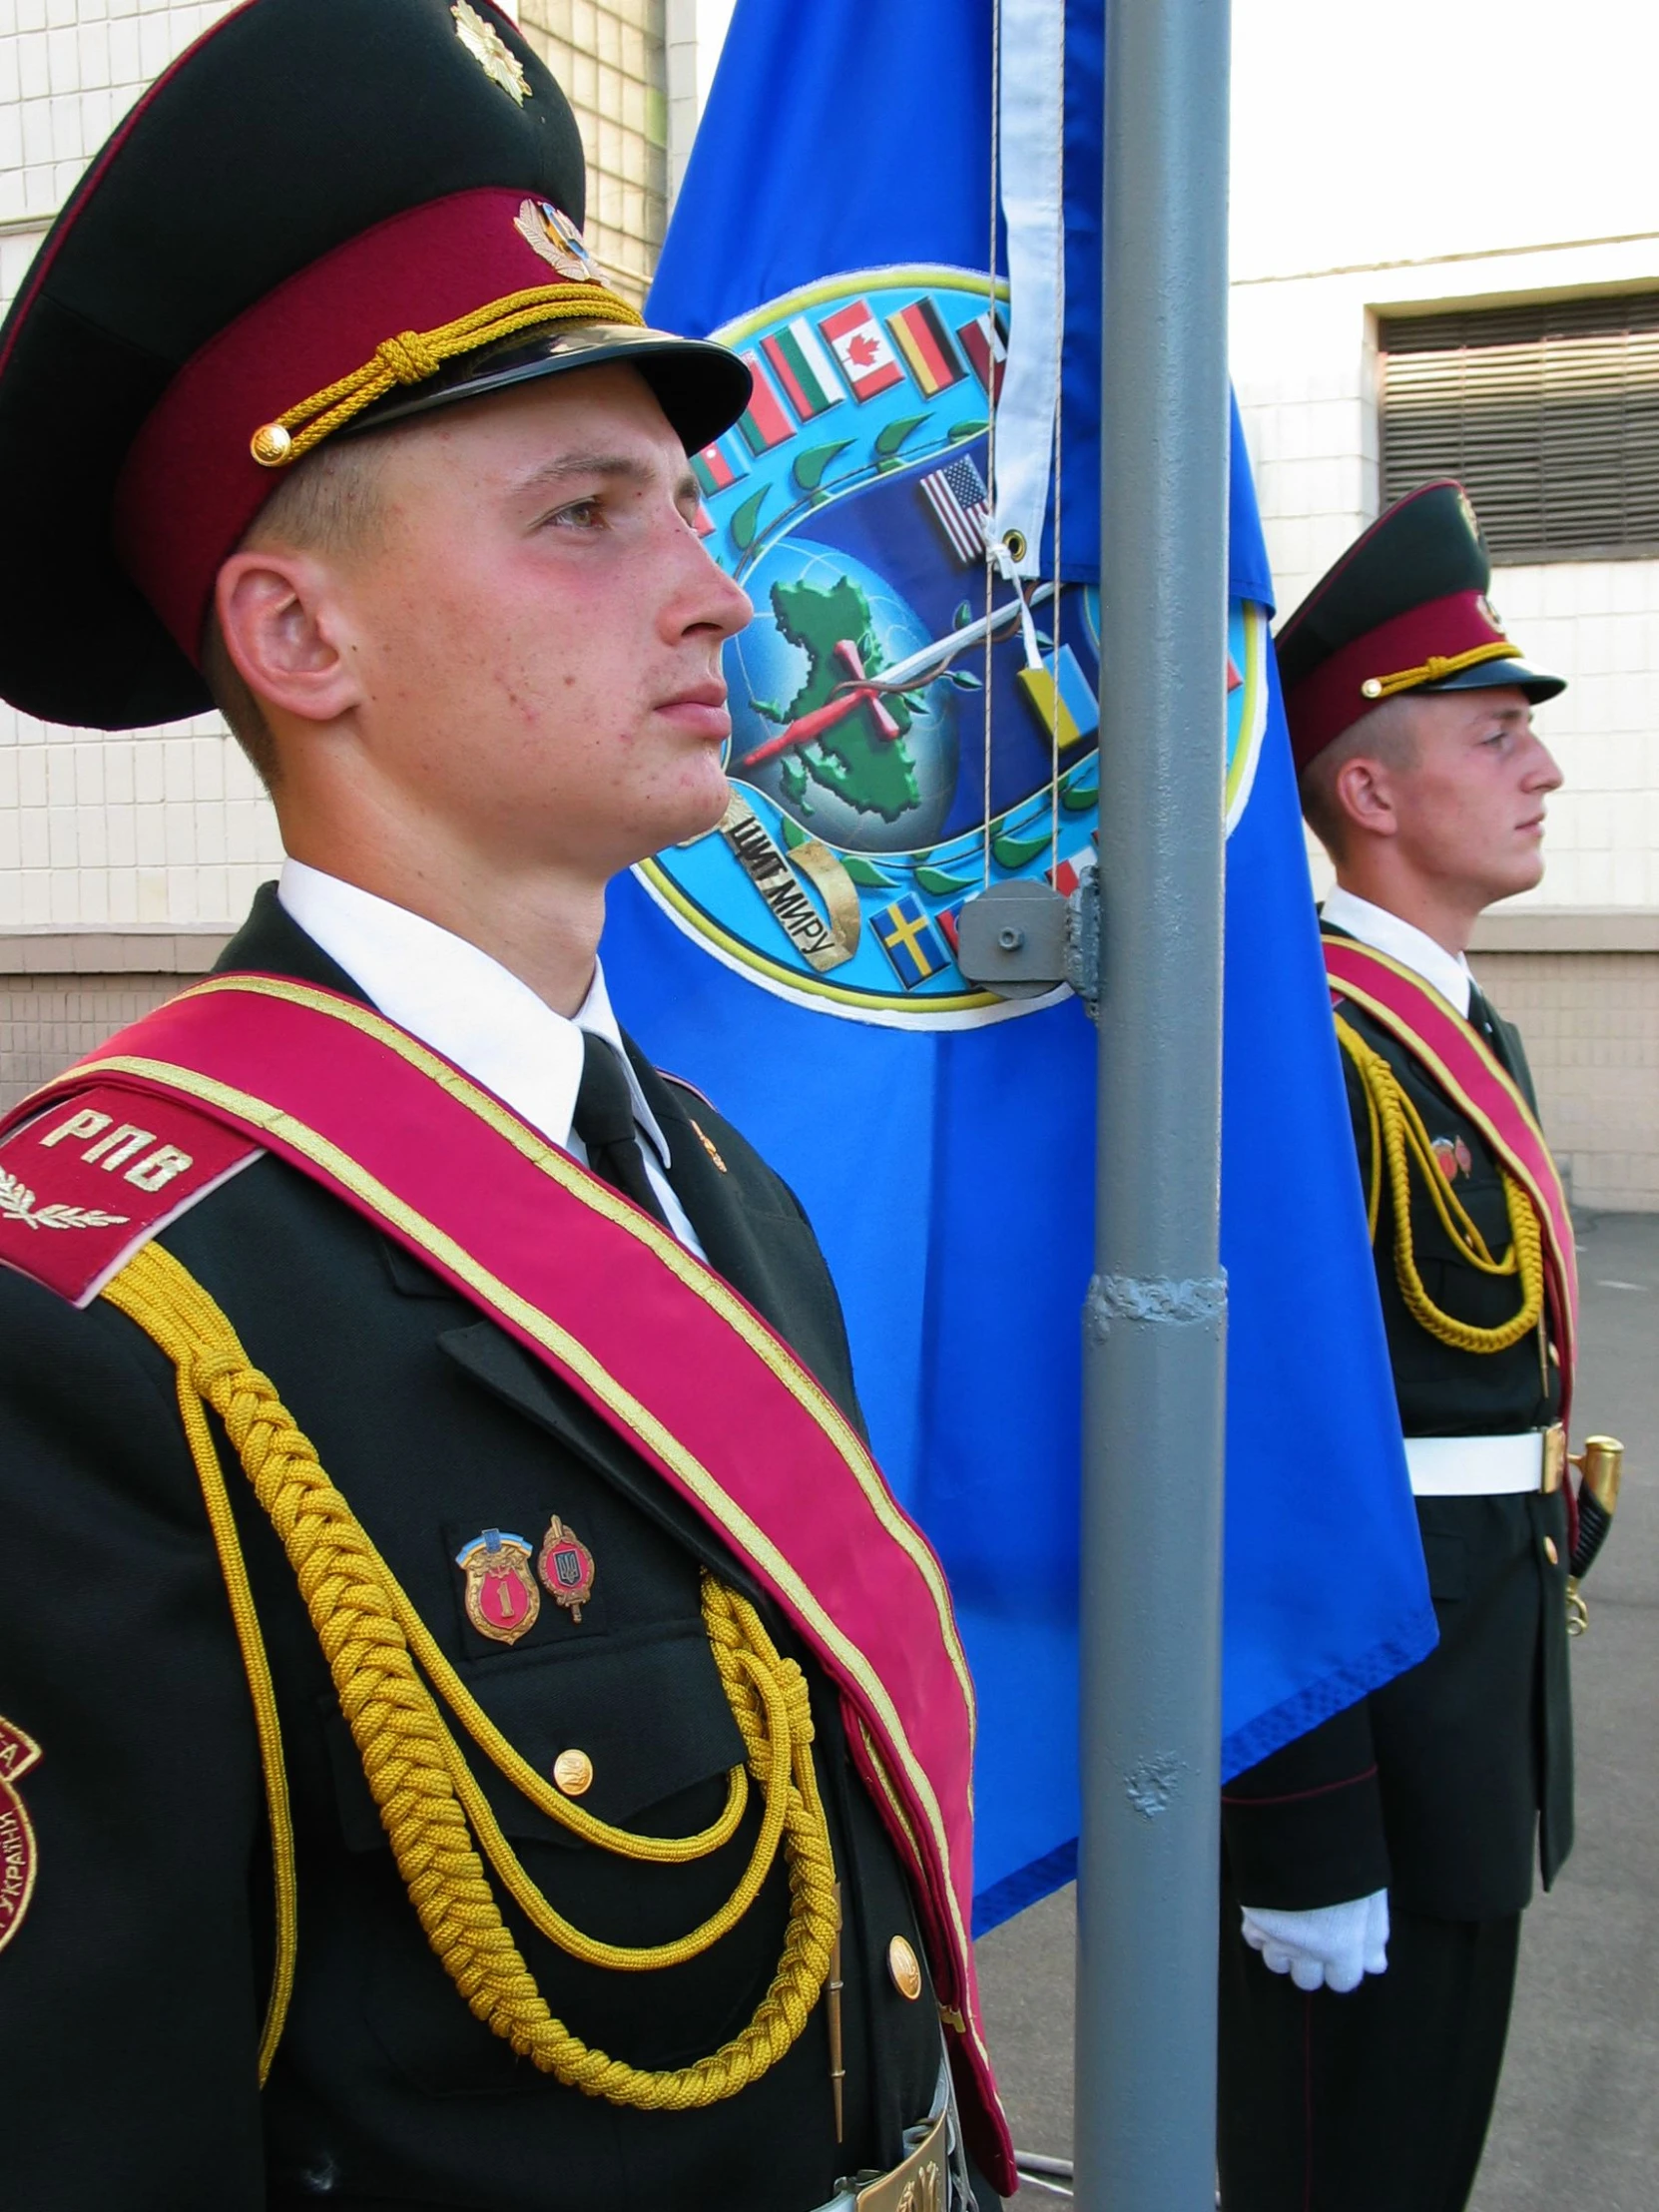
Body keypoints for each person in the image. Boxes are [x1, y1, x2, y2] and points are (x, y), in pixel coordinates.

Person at [0, 4, 1013, 2207]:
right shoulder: (90, 1331)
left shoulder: (717, 1183)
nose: (719, 591)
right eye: (586, 516)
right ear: (299, 635)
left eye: (687, 507)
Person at [1216, 480, 1583, 2211]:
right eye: (1497, 737)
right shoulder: (1317, 1049)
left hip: (1465, 1733)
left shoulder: (1454, 1023)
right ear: (1364, 790)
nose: (1543, 773)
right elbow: (1259, 1445)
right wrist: (1304, 1820)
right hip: (1359, 1759)